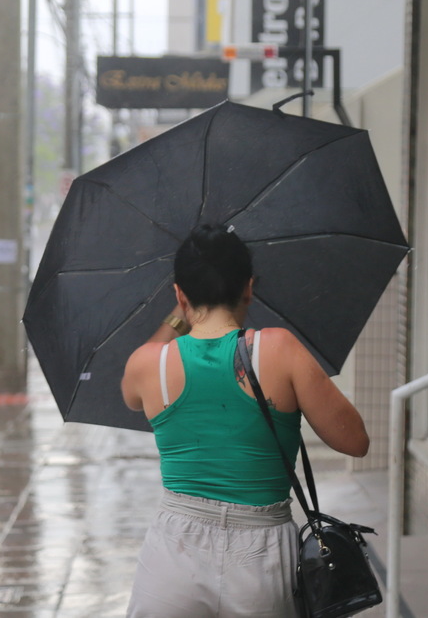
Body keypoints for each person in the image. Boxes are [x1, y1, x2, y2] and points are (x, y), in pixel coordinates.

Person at [121, 224, 370, 618]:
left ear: (179, 294)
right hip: (263, 554)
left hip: (174, 552)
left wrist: (178, 316)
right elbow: (355, 441)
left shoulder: (147, 364)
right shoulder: (280, 350)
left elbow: (130, 394)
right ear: (249, 287)